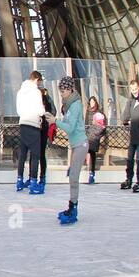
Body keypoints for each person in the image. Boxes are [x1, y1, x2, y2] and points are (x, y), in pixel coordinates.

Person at [53, 76, 87, 225]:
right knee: (72, 176)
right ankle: (72, 207)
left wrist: (55, 122)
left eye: (63, 91)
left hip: (81, 144)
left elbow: (70, 128)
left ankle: (73, 208)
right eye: (60, 91)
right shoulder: (70, 105)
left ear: (70, 89)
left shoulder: (75, 105)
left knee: (73, 178)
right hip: (76, 145)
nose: (61, 94)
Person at [15, 70, 45, 194]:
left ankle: (19, 180)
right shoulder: (36, 92)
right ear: (37, 80)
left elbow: (18, 110)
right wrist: (43, 112)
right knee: (35, 155)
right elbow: (40, 111)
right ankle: (33, 183)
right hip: (33, 125)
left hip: (23, 123)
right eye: (39, 82)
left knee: (22, 155)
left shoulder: (20, 92)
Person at [85, 95, 106, 185]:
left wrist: (101, 134)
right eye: (91, 102)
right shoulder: (88, 111)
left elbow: (103, 124)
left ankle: (91, 173)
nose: (92, 103)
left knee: (92, 152)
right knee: (87, 151)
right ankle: (90, 171)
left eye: (93, 102)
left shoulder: (99, 112)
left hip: (95, 134)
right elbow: (86, 122)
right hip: (89, 133)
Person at [38, 82, 56, 187]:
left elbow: (54, 111)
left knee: (41, 154)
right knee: (34, 154)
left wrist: (46, 118)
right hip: (35, 128)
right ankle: (33, 176)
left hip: (43, 129)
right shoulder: (35, 100)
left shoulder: (47, 100)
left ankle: (43, 176)